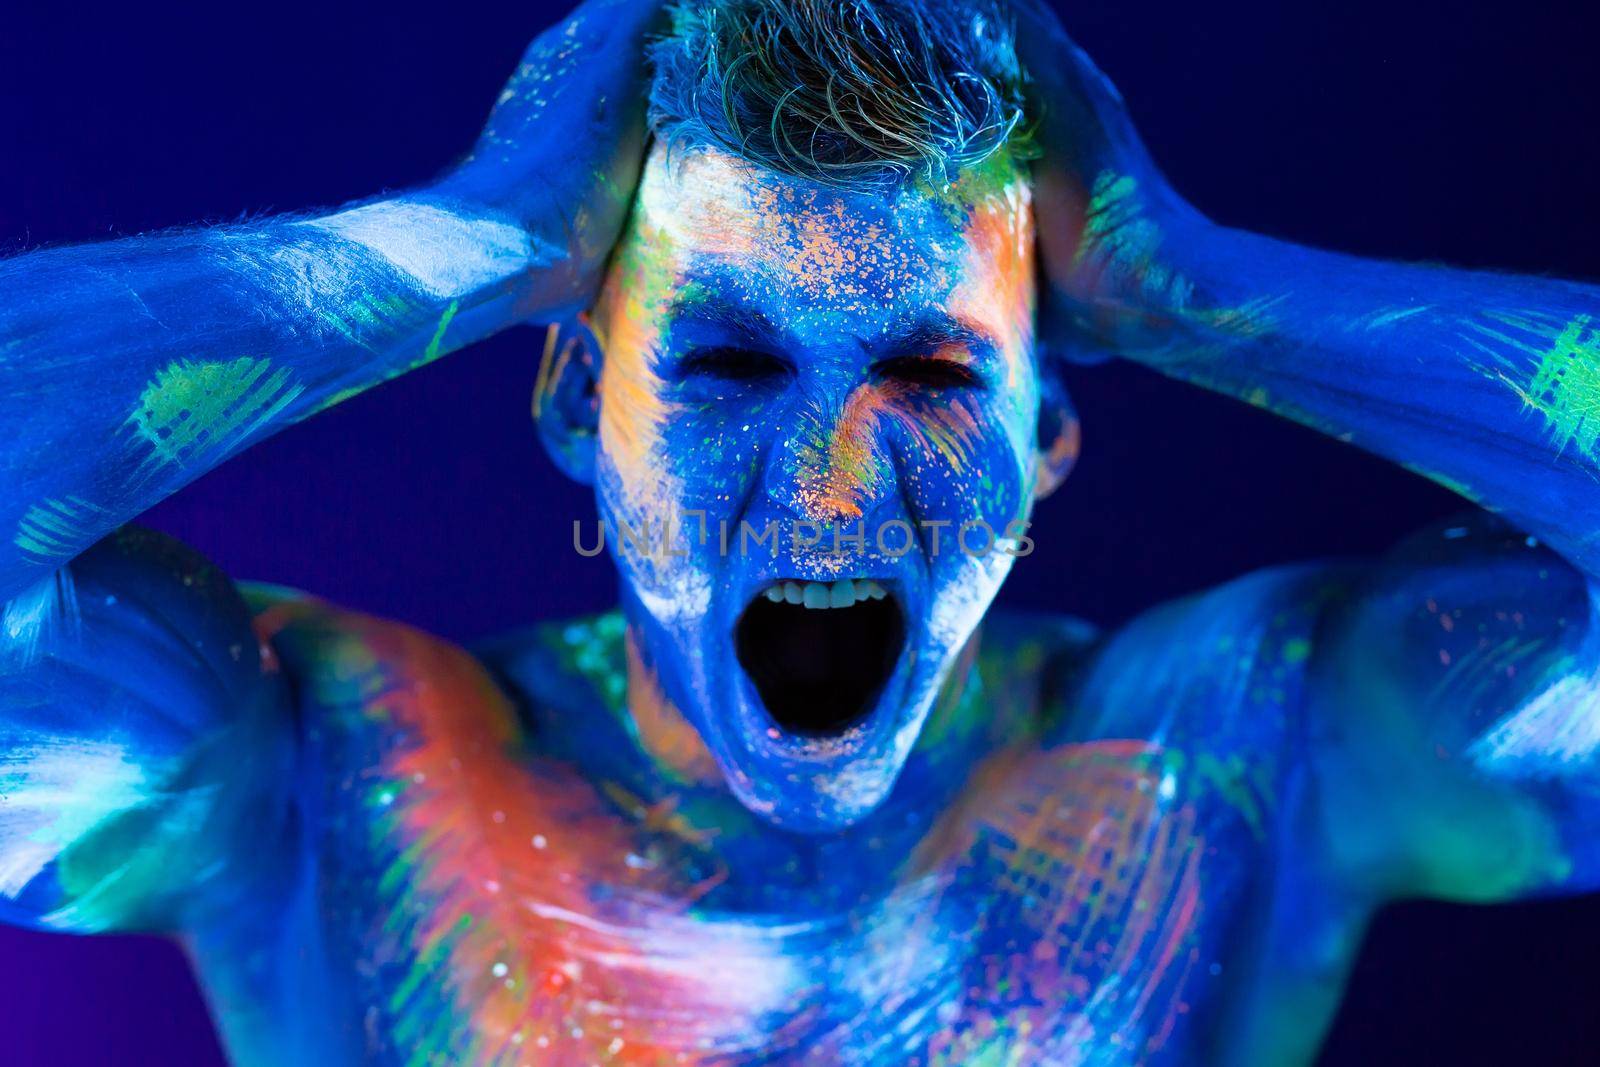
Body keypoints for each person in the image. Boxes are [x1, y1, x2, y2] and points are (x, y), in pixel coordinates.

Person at [1, 0, 1597, 1062]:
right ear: (575, 401)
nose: (830, 491)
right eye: (729, 363)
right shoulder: (322, 782)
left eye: (926, 371)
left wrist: (1194, 286)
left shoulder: (1256, 760)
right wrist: (480, 236)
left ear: (1046, 436)